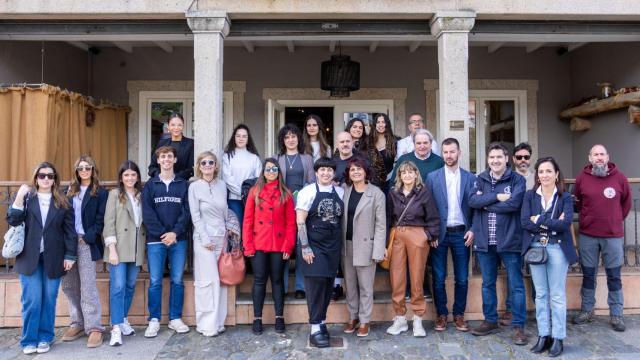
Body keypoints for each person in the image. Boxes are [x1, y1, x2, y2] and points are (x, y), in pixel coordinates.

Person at [7, 162, 76, 355]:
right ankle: (29, 339)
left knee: (49, 299)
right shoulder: (27, 198)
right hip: (29, 257)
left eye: (50, 176)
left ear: (55, 179)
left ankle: (45, 337)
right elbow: (13, 219)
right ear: (36, 178)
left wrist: (70, 255)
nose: (46, 179)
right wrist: (20, 195)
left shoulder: (63, 201)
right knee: (32, 300)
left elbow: (70, 231)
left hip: (54, 257)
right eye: (42, 175)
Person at [469, 142, 528, 346]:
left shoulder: (517, 180)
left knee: (516, 285)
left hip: (510, 240)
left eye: (499, 157)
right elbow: (472, 201)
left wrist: (486, 204)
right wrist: (496, 197)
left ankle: (519, 325)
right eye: (492, 157)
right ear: (488, 159)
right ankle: (490, 321)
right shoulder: (480, 179)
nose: (495, 161)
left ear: (506, 159)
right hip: (486, 241)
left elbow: (515, 204)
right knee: (487, 284)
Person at [521, 157, 578, 357]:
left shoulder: (565, 198)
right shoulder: (530, 196)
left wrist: (539, 220)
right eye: (541, 171)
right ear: (537, 175)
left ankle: (558, 337)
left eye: (548, 171)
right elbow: (525, 223)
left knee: (557, 295)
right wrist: (551, 221)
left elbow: (566, 223)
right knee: (541, 295)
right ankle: (543, 335)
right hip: (536, 248)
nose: (544, 175)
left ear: (556, 174)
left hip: (557, 249)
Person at [572, 144, 631, 332]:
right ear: (589, 158)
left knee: (614, 276)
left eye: (602, 154)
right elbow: (576, 203)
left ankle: (616, 314)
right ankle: (587, 310)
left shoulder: (620, 178)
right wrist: (589, 218)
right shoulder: (582, 178)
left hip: (612, 236)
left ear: (607, 157)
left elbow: (626, 204)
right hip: (588, 234)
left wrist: (613, 220)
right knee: (589, 275)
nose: (598, 157)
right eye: (595, 154)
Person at [386, 160, 440, 338]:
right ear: (399, 176)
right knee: (397, 277)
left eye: (410, 172)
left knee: (417, 278)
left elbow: (432, 216)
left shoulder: (423, 193)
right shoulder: (393, 193)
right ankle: (400, 318)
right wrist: (385, 242)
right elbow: (387, 218)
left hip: (418, 234)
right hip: (398, 235)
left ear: (416, 174)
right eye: (403, 173)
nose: (407, 175)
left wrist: (431, 236)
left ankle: (418, 319)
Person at [427, 138, 476, 332]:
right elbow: (428, 207)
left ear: (459, 152)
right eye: (445, 152)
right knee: (438, 277)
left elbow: (476, 209)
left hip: (462, 234)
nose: (449, 155)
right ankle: (441, 314)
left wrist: (473, 229)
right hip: (440, 234)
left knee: (462, 278)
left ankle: (458, 314)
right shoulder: (432, 177)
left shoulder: (470, 178)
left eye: (452, 152)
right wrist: (432, 233)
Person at [243, 158, 296, 335]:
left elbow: (291, 224)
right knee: (259, 281)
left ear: (278, 172)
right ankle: (257, 318)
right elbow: (248, 220)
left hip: (279, 244)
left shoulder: (285, 193)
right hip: (259, 243)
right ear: (263, 172)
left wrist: (288, 247)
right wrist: (248, 246)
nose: (271, 172)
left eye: (274, 169)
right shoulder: (254, 191)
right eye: (268, 169)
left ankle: (279, 317)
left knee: (278, 280)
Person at [142, 145, 191, 337]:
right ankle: (154, 320)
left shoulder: (183, 184)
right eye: (163, 157)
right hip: (156, 240)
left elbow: (187, 212)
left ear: (175, 160)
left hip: (178, 240)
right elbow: (148, 213)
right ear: (158, 160)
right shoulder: (150, 185)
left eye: (170, 156)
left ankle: (175, 318)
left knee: (177, 280)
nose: (166, 160)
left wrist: (175, 233)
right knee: (155, 281)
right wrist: (163, 234)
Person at [296, 157, 345, 348]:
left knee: (327, 286)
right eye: (322, 170)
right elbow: (300, 221)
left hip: (332, 247)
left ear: (334, 173)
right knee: (315, 286)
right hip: (313, 247)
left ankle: (321, 322)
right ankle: (314, 328)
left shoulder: (340, 192)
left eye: (329, 170)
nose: (326, 173)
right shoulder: (307, 192)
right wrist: (305, 247)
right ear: (316, 172)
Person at [189, 151, 238, 337]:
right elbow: (195, 215)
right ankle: (206, 324)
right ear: (199, 166)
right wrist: (205, 237)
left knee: (221, 282)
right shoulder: (194, 187)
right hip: (204, 241)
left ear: (216, 166)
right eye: (204, 163)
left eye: (211, 162)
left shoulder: (222, 185)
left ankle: (219, 321)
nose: (208, 165)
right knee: (207, 282)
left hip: (221, 238)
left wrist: (229, 232)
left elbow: (225, 212)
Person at [61, 156, 108, 348]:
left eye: (87, 168)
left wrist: (88, 237)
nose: (84, 171)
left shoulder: (100, 192)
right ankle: (77, 322)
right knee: (69, 285)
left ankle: (94, 327)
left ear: (93, 169)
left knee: (87, 287)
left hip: (86, 243)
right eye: (80, 168)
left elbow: (100, 219)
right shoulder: (68, 191)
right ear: (76, 171)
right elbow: (64, 217)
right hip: (68, 244)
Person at [340, 158, 386, 337]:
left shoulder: (376, 194)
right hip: (347, 246)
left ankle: (365, 320)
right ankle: (353, 317)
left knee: (366, 287)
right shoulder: (345, 191)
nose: (356, 172)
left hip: (366, 246)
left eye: (359, 169)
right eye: (352, 170)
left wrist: (378, 250)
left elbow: (381, 225)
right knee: (350, 285)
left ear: (366, 171)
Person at [103, 160, 147, 346]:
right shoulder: (114, 194)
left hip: (136, 248)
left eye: (133, 174)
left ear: (137, 177)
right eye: (126, 175)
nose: (130, 178)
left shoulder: (141, 195)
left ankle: (123, 319)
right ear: (121, 177)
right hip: (118, 249)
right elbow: (109, 222)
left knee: (129, 286)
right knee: (118, 287)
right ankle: (115, 327)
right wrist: (111, 249)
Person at [276, 124, 315, 299]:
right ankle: (282, 287)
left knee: (301, 246)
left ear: (298, 139)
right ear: (282, 141)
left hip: (302, 207)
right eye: (287, 137)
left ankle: (301, 286)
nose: (290, 140)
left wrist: (303, 193)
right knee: (283, 246)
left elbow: (312, 181)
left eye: (293, 136)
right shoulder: (277, 159)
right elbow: (273, 183)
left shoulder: (307, 158)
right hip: (282, 207)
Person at [502, 142, 535, 326]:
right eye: (519, 157)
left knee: (538, 268)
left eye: (526, 157)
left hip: (533, 230)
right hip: (513, 230)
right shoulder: (509, 179)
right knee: (513, 271)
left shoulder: (538, 178)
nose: (523, 160)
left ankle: (540, 307)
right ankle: (510, 308)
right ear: (513, 159)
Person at [222, 124, 262, 227]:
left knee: (250, 227)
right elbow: (228, 180)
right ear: (234, 138)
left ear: (248, 139)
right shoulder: (227, 157)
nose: (241, 139)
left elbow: (258, 179)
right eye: (238, 136)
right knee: (237, 227)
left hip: (252, 199)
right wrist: (243, 193)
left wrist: (249, 194)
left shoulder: (254, 158)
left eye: (244, 136)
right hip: (233, 199)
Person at [148, 112, 194, 181]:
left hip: (180, 183)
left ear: (183, 126)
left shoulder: (190, 144)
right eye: (173, 125)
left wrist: (173, 178)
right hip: (161, 183)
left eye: (179, 125)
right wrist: (162, 177)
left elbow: (189, 169)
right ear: (168, 126)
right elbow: (152, 167)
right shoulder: (162, 143)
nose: (176, 128)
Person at [366, 113, 398, 188]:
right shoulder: (368, 141)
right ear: (374, 124)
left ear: (387, 124)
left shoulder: (395, 141)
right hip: (371, 183)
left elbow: (398, 162)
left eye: (383, 122)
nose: (381, 125)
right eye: (378, 122)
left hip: (390, 181)